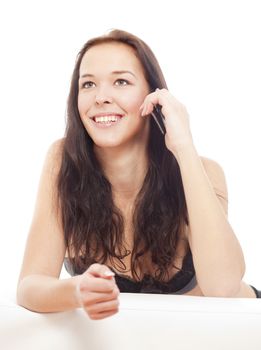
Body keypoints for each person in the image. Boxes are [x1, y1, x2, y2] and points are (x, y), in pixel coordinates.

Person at [17, 29, 260, 321]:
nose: (101, 97)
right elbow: (29, 286)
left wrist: (183, 147)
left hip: (235, 329)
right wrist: (75, 291)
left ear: (153, 95)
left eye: (121, 81)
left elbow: (223, 287)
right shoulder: (64, 161)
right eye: (88, 84)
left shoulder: (202, 170)